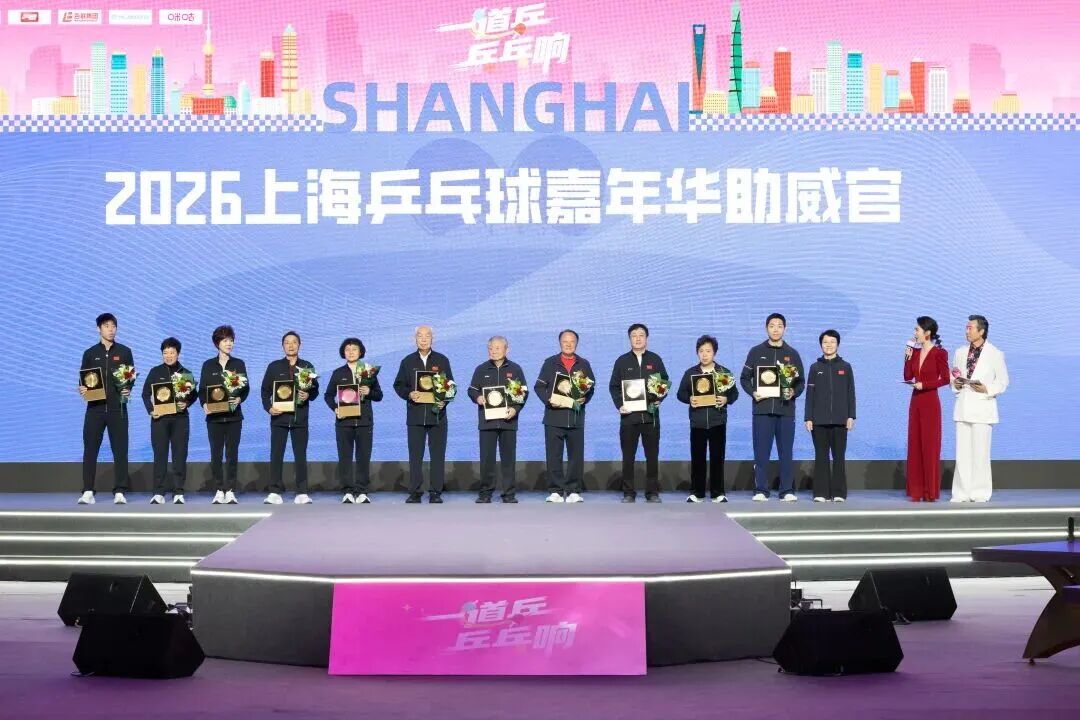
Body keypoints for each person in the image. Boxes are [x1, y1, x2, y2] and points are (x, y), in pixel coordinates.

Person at [740, 313, 805, 502]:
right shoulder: (756, 351)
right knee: (761, 452)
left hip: (786, 411)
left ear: (785, 329)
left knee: (786, 452)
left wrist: (793, 392)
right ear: (766, 328)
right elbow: (744, 378)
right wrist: (753, 392)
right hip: (762, 410)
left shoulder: (792, 354)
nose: (776, 329)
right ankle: (761, 489)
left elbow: (801, 382)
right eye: (772, 326)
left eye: (779, 326)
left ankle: (786, 490)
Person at [950, 315, 1009, 502]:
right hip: (963, 407)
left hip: (983, 408)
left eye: (970, 328)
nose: (967, 331)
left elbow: (1003, 381)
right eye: (966, 328)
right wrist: (956, 384)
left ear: (981, 331)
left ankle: (980, 492)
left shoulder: (995, 353)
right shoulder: (960, 352)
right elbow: (954, 376)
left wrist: (987, 389)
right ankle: (961, 492)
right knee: (962, 454)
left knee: (980, 453)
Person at [77, 313, 135, 504]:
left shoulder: (125, 352)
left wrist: (128, 388)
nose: (111, 329)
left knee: (120, 450)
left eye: (113, 326)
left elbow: (129, 377)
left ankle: (120, 490)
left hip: (118, 408)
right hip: (95, 409)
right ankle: (88, 491)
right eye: (106, 326)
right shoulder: (90, 353)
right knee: (90, 449)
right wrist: (82, 389)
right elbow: (83, 380)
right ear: (98, 329)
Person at [608, 323, 669, 503]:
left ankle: (652, 492)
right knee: (628, 457)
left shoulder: (655, 359)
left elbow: (664, 382)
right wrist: (620, 405)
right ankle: (628, 493)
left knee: (652, 456)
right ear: (630, 339)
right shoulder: (622, 361)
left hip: (651, 417)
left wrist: (660, 398)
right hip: (629, 417)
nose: (638, 338)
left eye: (641, 335)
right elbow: (613, 386)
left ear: (646, 338)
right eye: (634, 335)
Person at [393, 325, 453, 504]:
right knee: (415, 456)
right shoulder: (407, 361)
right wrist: (409, 394)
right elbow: (398, 385)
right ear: (415, 339)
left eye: (427, 336)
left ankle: (436, 492)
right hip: (415, 416)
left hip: (438, 416)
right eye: (420, 336)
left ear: (432, 338)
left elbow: (451, 386)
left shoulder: (442, 360)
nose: (424, 339)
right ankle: (415, 492)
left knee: (438, 456)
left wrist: (444, 401)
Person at [676, 335, 739, 503]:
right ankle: (697, 493)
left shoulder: (723, 372)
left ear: (714, 353)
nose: (704, 354)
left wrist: (726, 399)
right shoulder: (691, 373)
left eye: (708, 351)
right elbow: (680, 394)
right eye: (701, 351)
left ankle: (718, 493)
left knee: (718, 458)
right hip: (697, 422)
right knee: (698, 458)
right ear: (697, 353)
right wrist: (689, 399)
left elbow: (735, 394)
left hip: (718, 421)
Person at [534, 329, 595, 503]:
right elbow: (539, 387)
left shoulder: (584, 364)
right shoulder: (550, 363)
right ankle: (556, 491)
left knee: (576, 456)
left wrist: (585, 398)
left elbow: (591, 387)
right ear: (560, 343)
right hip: (554, 417)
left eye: (572, 341)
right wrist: (549, 400)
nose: (568, 344)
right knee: (554, 456)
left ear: (576, 343)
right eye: (565, 341)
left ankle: (574, 490)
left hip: (576, 418)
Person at [467, 336, 528, 503]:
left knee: (508, 460)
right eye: (491, 348)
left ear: (507, 349)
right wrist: (478, 397)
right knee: (487, 460)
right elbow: (471, 390)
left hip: (509, 421)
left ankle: (509, 494)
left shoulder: (515, 369)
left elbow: (523, 393)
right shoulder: (481, 369)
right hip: (487, 422)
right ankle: (485, 493)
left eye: (497, 348)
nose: (493, 351)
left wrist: (515, 409)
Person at [261, 331, 319, 505]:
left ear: (299, 345)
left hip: (300, 418)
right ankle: (274, 491)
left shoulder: (307, 366)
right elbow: (265, 391)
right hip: (279, 418)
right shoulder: (274, 367)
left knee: (300, 455)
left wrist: (308, 395)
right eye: (287, 342)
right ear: (282, 346)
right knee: (276, 454)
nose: (291, 345)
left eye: (294, 342)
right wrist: (268, 407)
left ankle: (302, 492)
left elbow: (315, 390)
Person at [324, 337, 382, 504]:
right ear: (343, 353)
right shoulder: (338, 373)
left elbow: (379, 395)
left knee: (364, 457)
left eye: (354, 349)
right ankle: (347, 491)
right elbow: (328, 395)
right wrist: (335, 408)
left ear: (360, 352)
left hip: (364, 422)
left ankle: (362, 491)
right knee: (345, 457)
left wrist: (369, 391)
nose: (351, 352)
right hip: (344, 423)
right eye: (347, 349)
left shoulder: (368, 372)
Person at [140, 337, 197, 504]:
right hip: (160, 420)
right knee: (160, 455)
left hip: (180, 419)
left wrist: (187, 403)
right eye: (165, 353)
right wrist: (151, 410)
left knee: (180, 455)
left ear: (178, 353)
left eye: (172, 352)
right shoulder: (155, 371)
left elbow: (194, 394)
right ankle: (159, 492)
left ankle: (179, 491)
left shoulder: (185, 373)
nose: (168, 355)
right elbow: (145, 394)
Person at [804, 330, 856, 503]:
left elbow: (851, 392)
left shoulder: (845, 367)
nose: (829, 345)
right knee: (821, 457)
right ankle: (821, 492)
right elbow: (810, 394)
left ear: (838, 344)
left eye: (832, 342)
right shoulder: (815, 367)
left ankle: (839, 492)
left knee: (839, 457)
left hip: (841, 421)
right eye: (825, 342)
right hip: (818, 421)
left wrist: (851, 416)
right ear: (821, 345)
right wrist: (808, 417)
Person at [199, 325, 249, 504]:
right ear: (217, 343)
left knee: (232, 454)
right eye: (225, 340)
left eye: (231, 340)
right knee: (216, 454)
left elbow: (246, 388)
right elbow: (202, 390)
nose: (229, 344)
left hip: (234, 417)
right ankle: (219, 489)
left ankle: (231, 490)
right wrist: (204, 404)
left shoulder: (239, 364)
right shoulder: (208, 365)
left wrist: (240, 399)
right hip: (214, 418)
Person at [904, 316, 951, 502]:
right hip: (915, 402)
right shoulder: (915, 352)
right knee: (915, 444)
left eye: (917, 330)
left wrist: (925, 385)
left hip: (930, 402)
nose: (914, 333)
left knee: (930, 446)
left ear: (927, 333)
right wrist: (907, 357)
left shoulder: (940, 353)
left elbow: (945, 379)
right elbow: (907, 376)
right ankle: (916, 491)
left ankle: (929, 491)